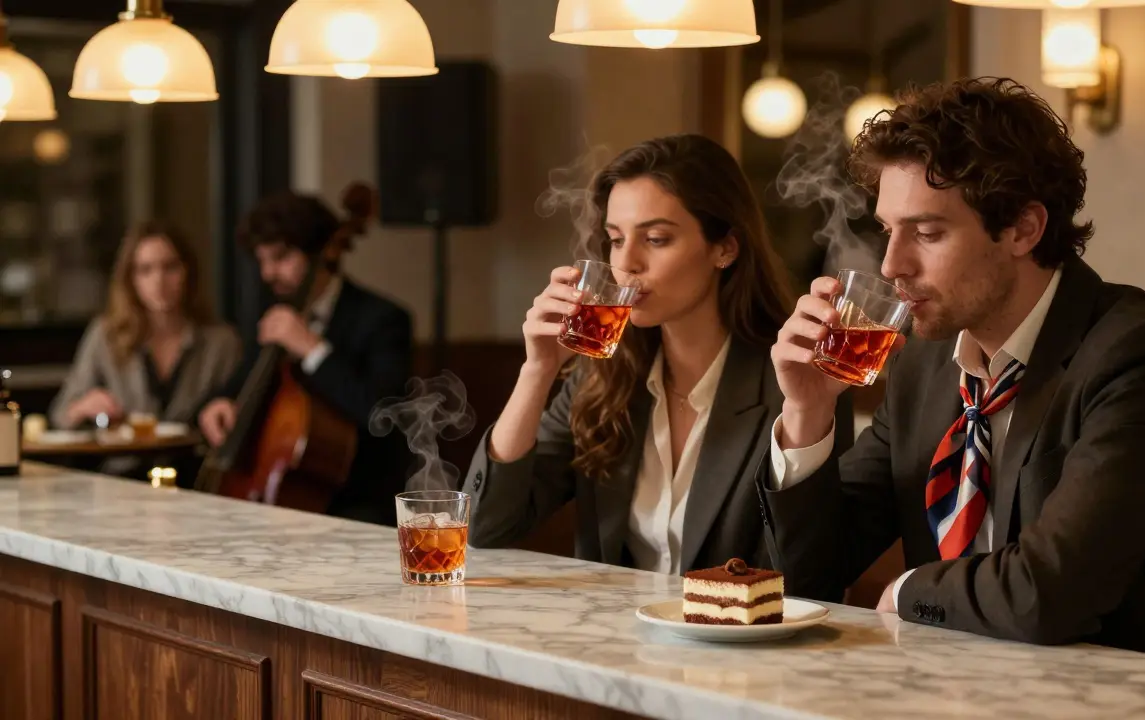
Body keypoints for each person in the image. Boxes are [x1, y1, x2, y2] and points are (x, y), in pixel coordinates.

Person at [763, 78, 1145, 662]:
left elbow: (1050, 593)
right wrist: (807, 412)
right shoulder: (926, 364)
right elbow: (806, 579)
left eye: (927, 233)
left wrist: (906, 590)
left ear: (1023, 229)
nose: (891, 264)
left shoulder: (1141, 355)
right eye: (888, 230)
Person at [466, 134, 854, 574]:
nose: (626, 262)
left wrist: (805, 417)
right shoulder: (603, 378)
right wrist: (537, 368)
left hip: (734, 638)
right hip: (613, 637)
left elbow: (811, 576)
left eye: (655, 239)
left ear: (724, 248)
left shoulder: (799, 387)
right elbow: (487, 526)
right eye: (615, 240)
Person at [198, 187, 414, 525]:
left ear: (323, 253)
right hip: (279, 503)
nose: (268, 273)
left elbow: (382, 414)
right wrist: (218, 404)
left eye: (281, 257)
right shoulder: (279, 317)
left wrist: (312, 349)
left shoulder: (383, 319)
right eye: (262, 260)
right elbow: (238, 385)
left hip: (357, 508)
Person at [51, 222, 239, 446]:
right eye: (145, 270)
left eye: (170, 267)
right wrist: (83, 407)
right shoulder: (105, 335)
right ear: (130, 279)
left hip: (194, 468)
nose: (158, 281)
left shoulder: (221, 342)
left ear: (188, 271)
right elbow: (60, 415)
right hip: (123, 466)